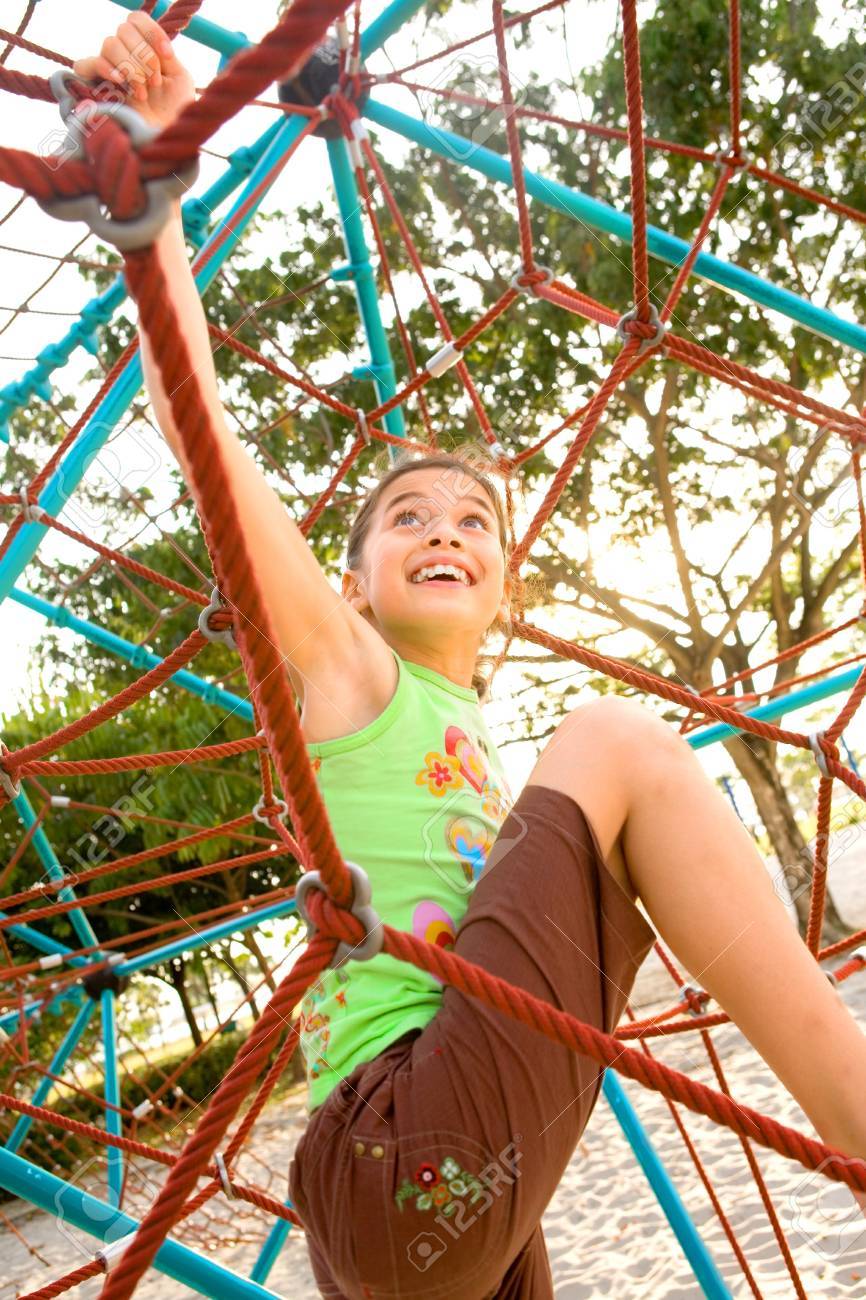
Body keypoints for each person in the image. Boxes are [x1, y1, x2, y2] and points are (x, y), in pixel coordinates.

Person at [75, 15, 866, 1298]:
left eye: (472, 521)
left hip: (440, 1199)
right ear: (352, 583)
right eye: (406, 519)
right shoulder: (346, 671)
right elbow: (198, 427)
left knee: (595, 813)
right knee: (612, 740)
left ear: (504, 582)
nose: (443, 529)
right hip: (395, 1145)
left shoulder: (465, 735)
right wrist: (151, 206)